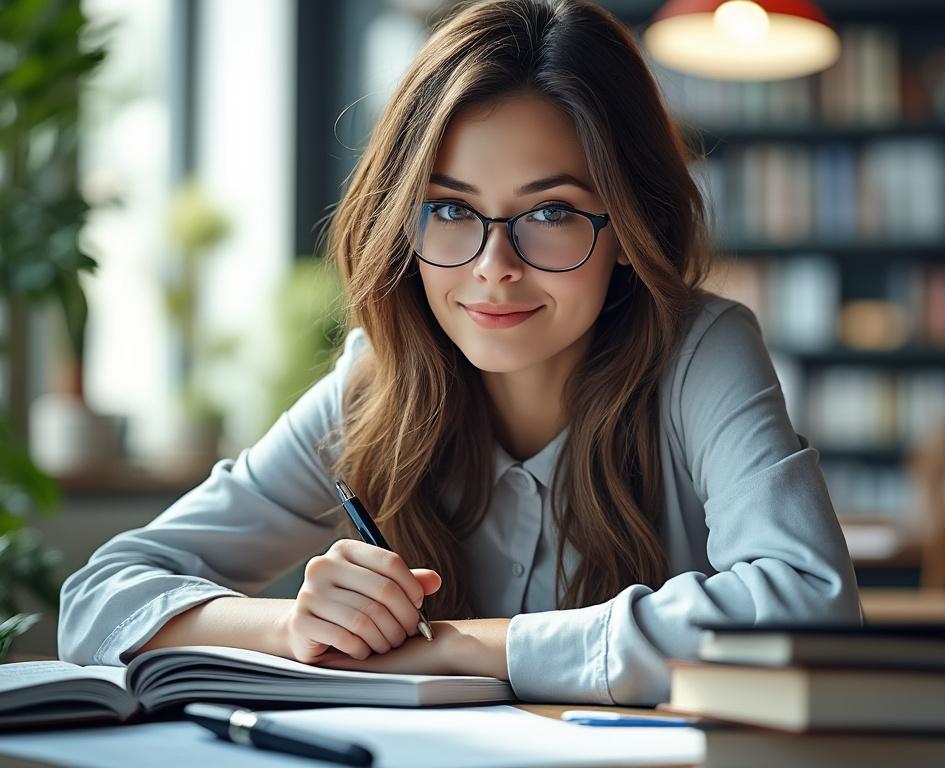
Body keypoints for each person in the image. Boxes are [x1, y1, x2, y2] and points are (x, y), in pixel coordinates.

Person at [57, 0, 861, 706]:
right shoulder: (374, 386)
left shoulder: (700, 352)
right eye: (448, 208)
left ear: (630, 228)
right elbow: (97, 598)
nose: (492, 268)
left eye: (550, 214)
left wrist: (471, 644)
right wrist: (298, 625)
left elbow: (808, 608)